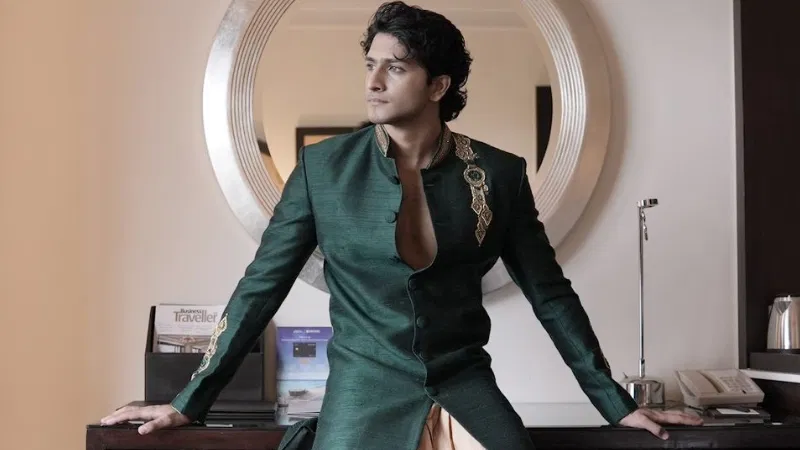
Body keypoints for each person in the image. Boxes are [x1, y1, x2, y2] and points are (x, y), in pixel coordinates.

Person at [101, 2, 702, 448]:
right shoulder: (322, 170)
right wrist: (189, 401)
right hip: (362, 393)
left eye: (395, 67)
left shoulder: (500, 174)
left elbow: (550, 294)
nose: (373, 81)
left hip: (464, 383)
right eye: (370, 65)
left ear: (438, 85)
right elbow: (261, 288)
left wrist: (615, 404)